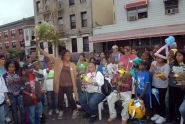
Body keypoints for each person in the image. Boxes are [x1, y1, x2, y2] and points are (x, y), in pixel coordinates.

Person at [40, 48, 79, 119]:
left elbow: (75, 75)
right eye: (66, 55)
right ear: (63, 56)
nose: (68, 56)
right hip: (60, 85)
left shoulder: (72, 64)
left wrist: (76, 76)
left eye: (69, 55)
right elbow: (50, 56)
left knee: (70, 98)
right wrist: (42, 51)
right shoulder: (58, 62)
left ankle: (75, 110)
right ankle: (61, 110)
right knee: (59, 98)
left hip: (69, 85)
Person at [150, 53, 170, 124]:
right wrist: (152, 70)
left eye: (159, 58)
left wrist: (156, 70)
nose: (157, 59)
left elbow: (164, 78)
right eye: (156, 57)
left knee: (161, 101)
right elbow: (151, 73)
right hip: (154, 85)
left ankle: (163, 116)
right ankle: (158, 114)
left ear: (163, 58)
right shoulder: (153, 63)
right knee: (155, 101)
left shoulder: (166, 66)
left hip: (162, 86)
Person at [168, 50, 185, 123]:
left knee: (179, 102)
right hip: (172, 86)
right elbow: (168, 75)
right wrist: (177, 75)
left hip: (181, 87)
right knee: (171, 102)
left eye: (180, 55)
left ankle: (178, 117)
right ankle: (170, 117)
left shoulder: (184, 64)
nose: (178, 57)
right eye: (177, 55)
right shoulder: (172, 64)